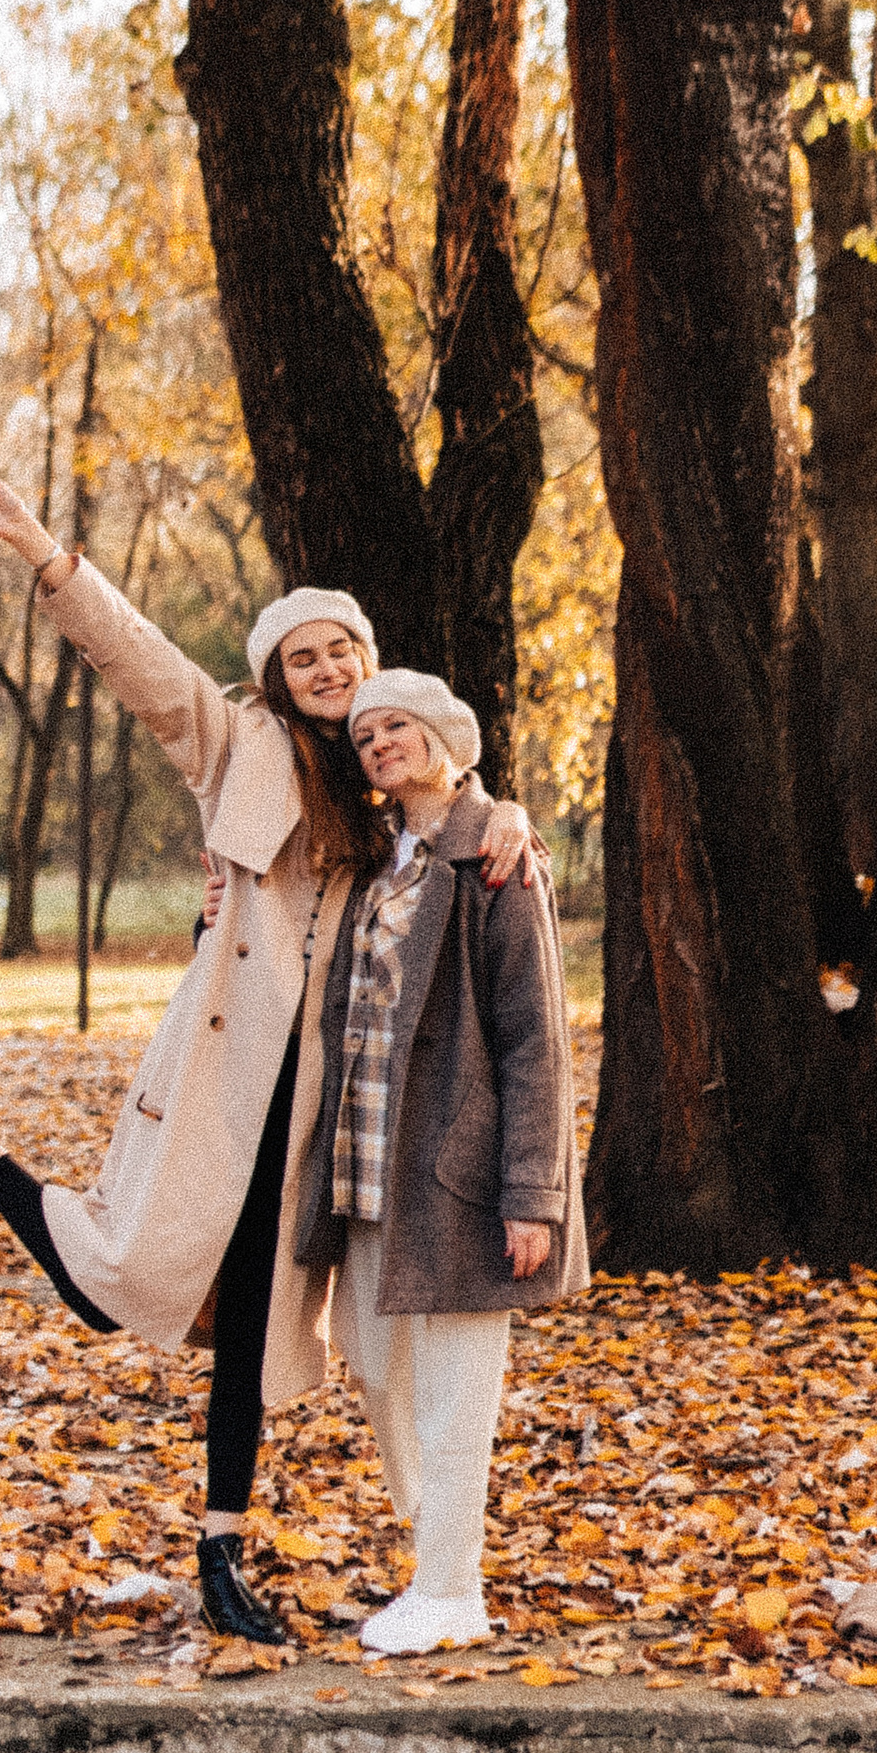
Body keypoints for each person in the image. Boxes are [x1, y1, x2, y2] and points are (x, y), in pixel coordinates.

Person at [0, 456, 543, 1645]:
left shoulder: (390, 778)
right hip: (225, 1081)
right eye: (303, 657)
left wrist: (505, 812)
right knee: (111, 1283)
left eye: (343, 653)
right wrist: (33, 544)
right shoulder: (238, 742)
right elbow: (134, 657)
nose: (327, 673)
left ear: (371, 668)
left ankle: (221, 1554)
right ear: (276, 674)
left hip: (323, 1111)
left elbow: (450, 809)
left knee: (248, 1326)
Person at [295, 669, 587, 1656]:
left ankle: (450, 1587)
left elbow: (533, 1038)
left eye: (396, 725)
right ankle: (437, 1553)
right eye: (364, 732)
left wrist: (531, 1192)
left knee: (457, 1390)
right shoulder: (374, 861)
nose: (377, 740)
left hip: (458, 1173)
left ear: (441, 734)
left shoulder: (498, 862)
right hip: (367, 1167)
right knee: (376, 1370)